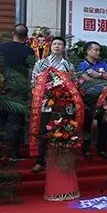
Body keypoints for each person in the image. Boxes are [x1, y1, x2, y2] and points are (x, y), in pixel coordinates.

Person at [31, 36, 76, 172]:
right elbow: (34, 81)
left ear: (64, 48)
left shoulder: (68, 65)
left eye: (60, 44)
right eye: (55, 44)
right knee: (44, 131)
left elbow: (74, 82)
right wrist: (48, 90)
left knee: (64, 130)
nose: (57, 46)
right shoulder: (41, 63)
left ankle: (62, 159)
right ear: (50, 47)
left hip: (64, 103)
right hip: (47, 102)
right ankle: (41, 160)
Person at [0, 24, 35, 160]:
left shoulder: (0, 48)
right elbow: (32, 72)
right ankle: (12, 153)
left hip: (0, 88)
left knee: (0, 120)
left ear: (13, 33)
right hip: (19, 91)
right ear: (26, 36)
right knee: (15, 122)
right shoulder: (29, 51)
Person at [77, 41, 107, 160]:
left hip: (102, 100)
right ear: (88, 51)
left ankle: (102, 149)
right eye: (95, 50)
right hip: (88, 100)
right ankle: (86, 149)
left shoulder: (103, 63)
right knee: (87, 125)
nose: (98, 52)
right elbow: (86, 79)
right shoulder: (82, 64)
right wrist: (101, 77)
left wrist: (96, 75)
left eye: (98, 50)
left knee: (103, 125)